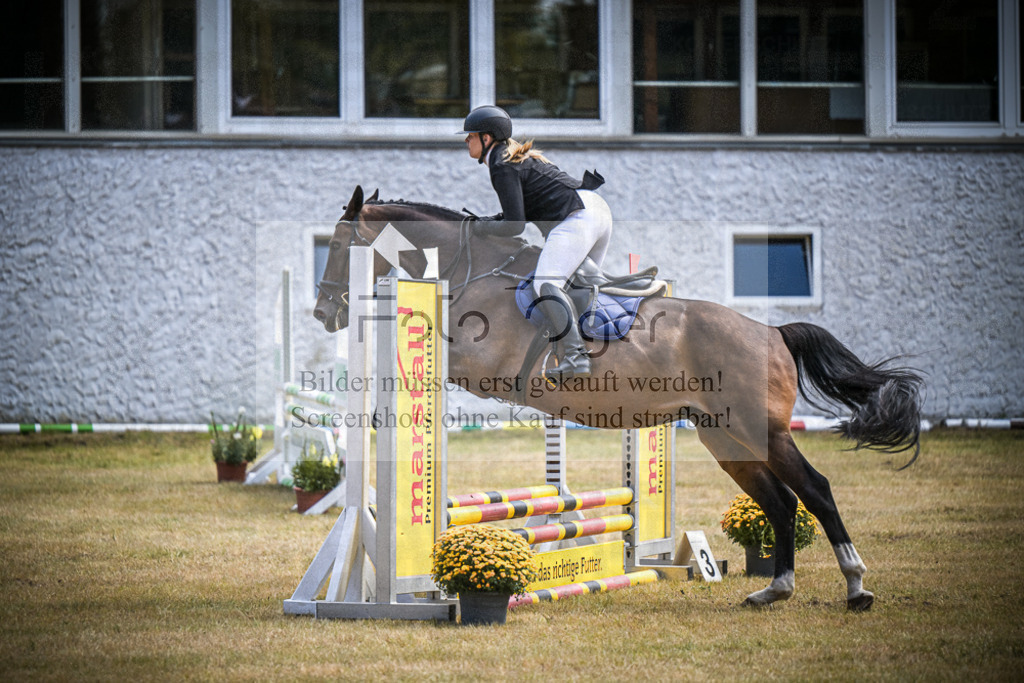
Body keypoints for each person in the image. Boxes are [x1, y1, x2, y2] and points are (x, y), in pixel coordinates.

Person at [459, 105, 611, 380]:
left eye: (470, 135)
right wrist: (486, 221)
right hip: (596, 211)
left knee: (546, 284)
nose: (465, 140)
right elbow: (515, 215)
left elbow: (515, 225)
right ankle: (599, 351)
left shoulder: (500, 164)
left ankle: (576, 358)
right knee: (580, 288)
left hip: (578, 216)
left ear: (486, 138)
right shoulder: (511, 156)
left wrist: (478, 228)